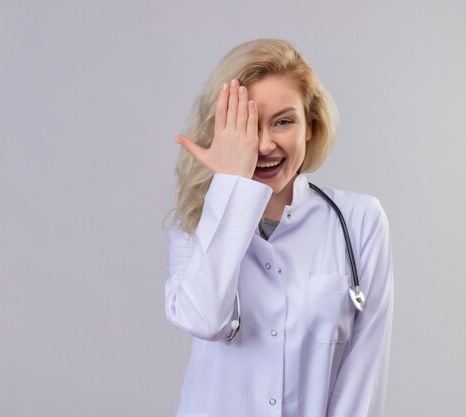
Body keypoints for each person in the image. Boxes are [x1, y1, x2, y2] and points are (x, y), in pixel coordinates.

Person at [165, 38, 394, 417]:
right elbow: (204, 319)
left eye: (284, 121)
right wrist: (231, 184)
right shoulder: (193, 223)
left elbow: (362, 382)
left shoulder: (361, 222)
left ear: (310, 126)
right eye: (247, 127)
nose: (265, 144)